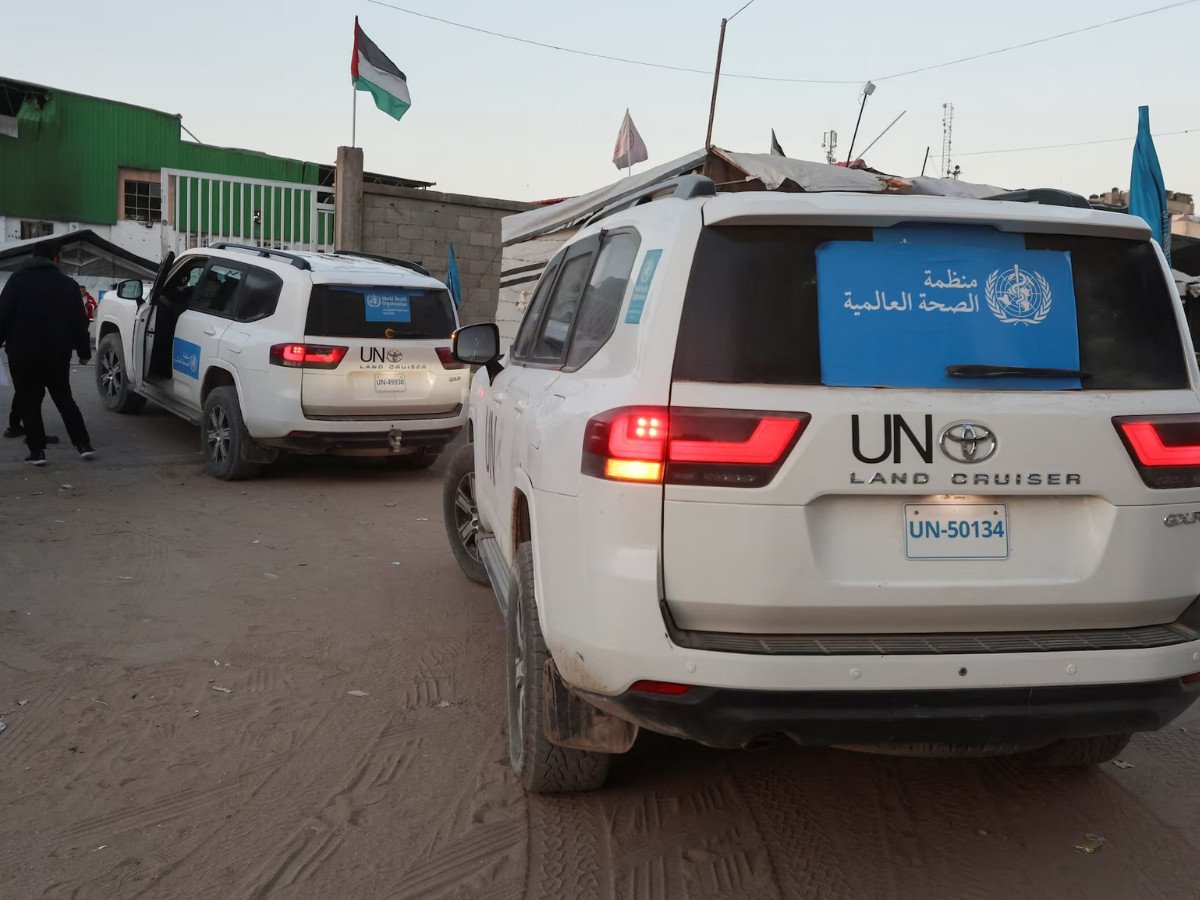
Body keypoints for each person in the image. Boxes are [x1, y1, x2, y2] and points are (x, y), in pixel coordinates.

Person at [0, 247, 95, 466]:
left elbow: (3, 316)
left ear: (33, 258)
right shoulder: (68, 285)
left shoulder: (17, 281)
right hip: (57, 354)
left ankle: (37, 452)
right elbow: (79, 322)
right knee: (64, 398)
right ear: (57, 258)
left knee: (29, 401)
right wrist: (84, 352)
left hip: (23, 354)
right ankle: (84, 445)